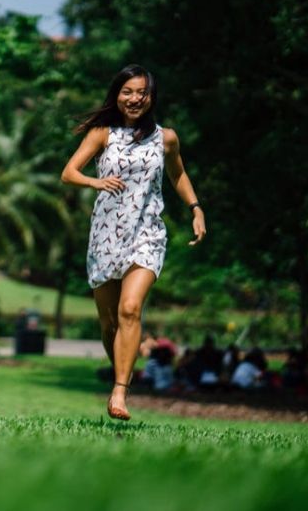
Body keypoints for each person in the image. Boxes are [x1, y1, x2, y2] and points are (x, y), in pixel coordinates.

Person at [61, 64, 206, 420]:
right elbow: (69, 172)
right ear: (117, 95)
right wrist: (96, 183)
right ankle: (122, 369)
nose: (135, 98)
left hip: (147, 234)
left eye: (141, 92)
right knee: (110, 323)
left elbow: (178, 173)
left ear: (151, 97)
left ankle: (120, 392)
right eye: (127, 92)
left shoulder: (166, 137)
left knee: (130, 309)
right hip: (106, 237)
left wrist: (196, 208)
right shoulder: (102, 134)